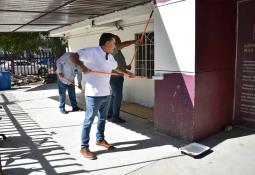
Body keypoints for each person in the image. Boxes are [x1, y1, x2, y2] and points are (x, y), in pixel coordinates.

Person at [70, 33, 135, 160]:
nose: (115, 46)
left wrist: (126, 73)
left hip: (106, 93)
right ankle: (84, 147)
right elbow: (73, 56)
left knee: (102, 119)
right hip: (93, 95)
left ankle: (100, 140)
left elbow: (116, 68)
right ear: (106, 43)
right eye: (113, 43)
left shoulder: (109, 56)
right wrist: (83, 67)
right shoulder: (93, 51)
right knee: (89, 121)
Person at [108, 35, 140, 123]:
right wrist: (134, 41)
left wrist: (126, 67)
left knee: (114, 96)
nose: (120, 41)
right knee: (117, 97)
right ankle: (115, 117)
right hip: (115, 78)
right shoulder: (114, 48)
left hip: (116, 77)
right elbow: (121, 45)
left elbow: (116, 64)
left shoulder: (116, 51)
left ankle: (109, 113)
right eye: (118, 40)